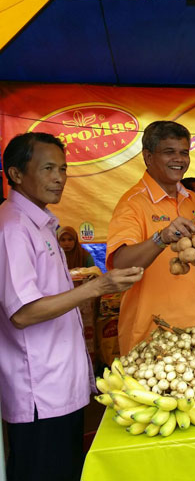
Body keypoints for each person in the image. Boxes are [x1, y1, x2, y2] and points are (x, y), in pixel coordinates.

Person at [0, 132, 143, 481]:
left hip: (59, 383)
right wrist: (99, 287)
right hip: (39, 393)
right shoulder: (13, 228)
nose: (59, 177)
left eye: (62, 169)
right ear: (17, 174)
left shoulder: (41, 223)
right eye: (48, 168)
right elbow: (23, 313)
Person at [106, 121, 195, 354]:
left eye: (184, 152)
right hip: (154, 339)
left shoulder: (191, 199)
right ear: (148, 157)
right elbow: (120, 264)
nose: (179, 159)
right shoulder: (133, 204)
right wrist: (161, 238)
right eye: (169, 152)